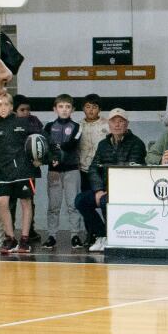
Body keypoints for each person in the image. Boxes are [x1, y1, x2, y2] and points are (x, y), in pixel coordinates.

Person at [74, 108, 145, 252]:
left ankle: (112, 238)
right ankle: (101, 235)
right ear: (109, 124)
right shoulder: (103, 144)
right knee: (80, 200)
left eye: (121, 121)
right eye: (114, 121)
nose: (117, 125)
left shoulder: (136, 143)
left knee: (106, 201)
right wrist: (99, 189)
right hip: (105, 190)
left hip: (127, 191)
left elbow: (132, 171)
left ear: (127, 124)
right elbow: (93, 168)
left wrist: (109, 191)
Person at [0, 92, 36, 255]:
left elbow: (40, 139)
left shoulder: (23, 122)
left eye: (5, 104)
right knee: (2, 201)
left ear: (11, 106)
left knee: (25, 202)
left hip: (23, 171)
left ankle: (24, 239)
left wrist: (47, 157)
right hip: (3, 172)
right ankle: (10, 238)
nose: (2, 108)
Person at [43, 93, 82, 247]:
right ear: (55, 109)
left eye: (67, 107)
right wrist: (49, 158)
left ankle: (75, 235)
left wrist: (57, 148)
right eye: (61, 107)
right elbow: (44, 148)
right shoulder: (48, 127)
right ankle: (52, 236)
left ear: (72, 109)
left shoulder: (77, 127)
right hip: (54, 172)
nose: (64, 110)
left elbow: (71, 145)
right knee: (53, 206)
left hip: (72, 170)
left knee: (73, 204)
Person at [73, 94, 110, 248]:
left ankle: (108, 234)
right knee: (86, 204)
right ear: (83, 108)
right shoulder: (77, 126)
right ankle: (92, 234)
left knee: (105, 203)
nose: (91, 110)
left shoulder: (107, 125)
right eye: (88, 106)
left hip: (102, 172)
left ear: (99, 109)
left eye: (94, 107)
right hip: (83, 170)